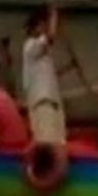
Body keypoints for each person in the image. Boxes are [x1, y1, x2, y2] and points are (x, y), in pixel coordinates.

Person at [23, 8, 66, 145]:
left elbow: (51, 75)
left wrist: (70, 68)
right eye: (43, 25)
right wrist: (54, 15)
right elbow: (50, 37)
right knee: (48, 144)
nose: (45, 29)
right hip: (43, 104)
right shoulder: (31, 46)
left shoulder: (43, 54)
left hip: (51, 104)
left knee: (58, 142)